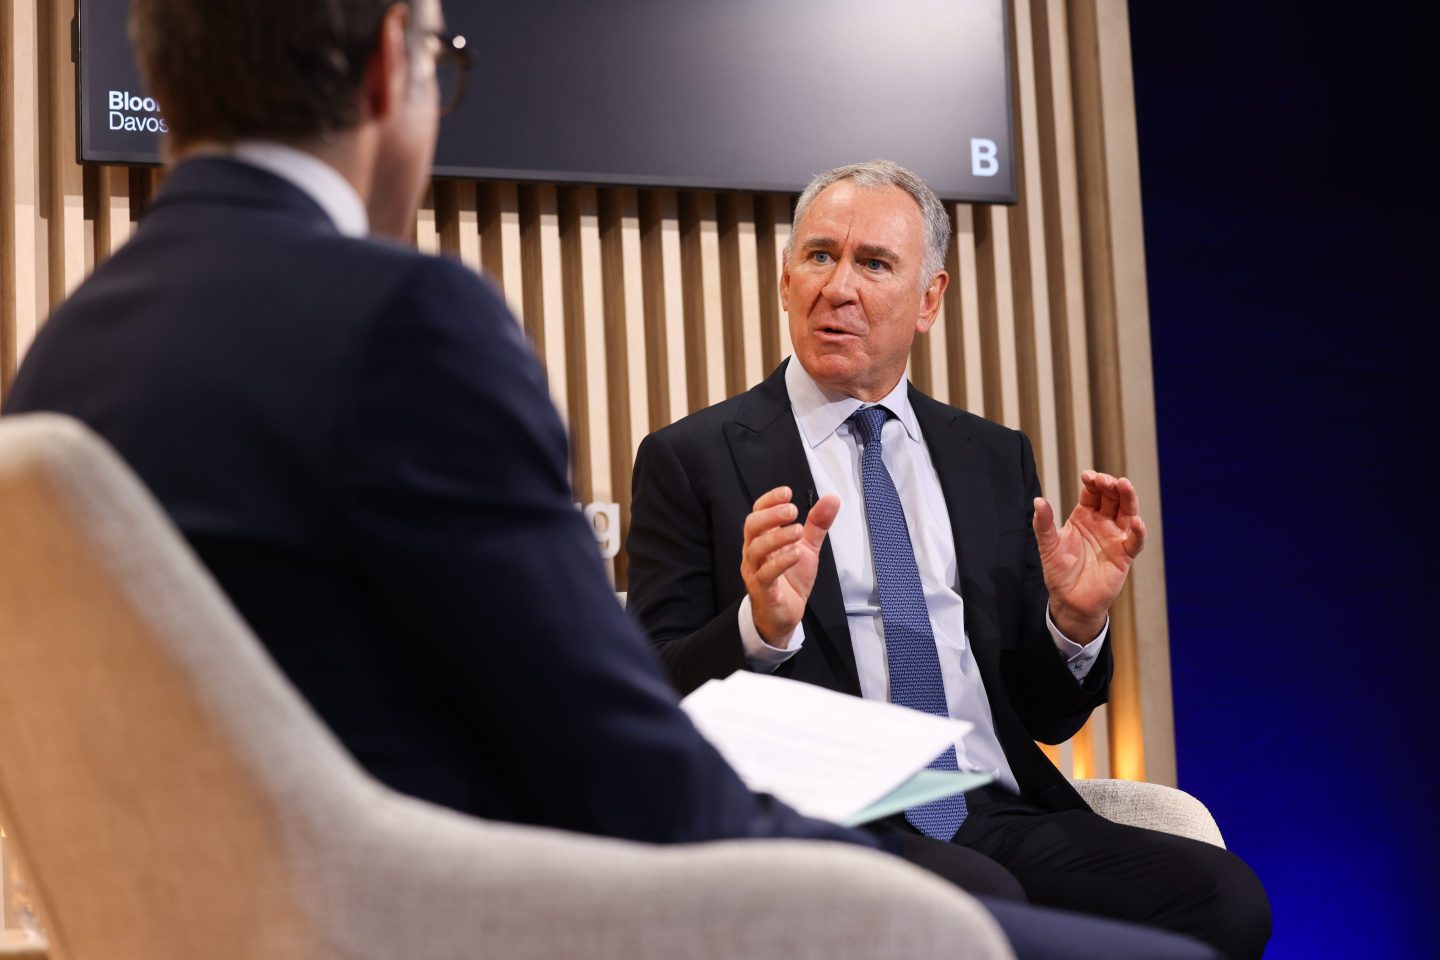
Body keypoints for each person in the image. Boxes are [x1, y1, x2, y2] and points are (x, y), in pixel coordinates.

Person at [3, 3, 1222, 956]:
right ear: (393, 64)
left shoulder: (60, 364)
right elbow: (614, 754)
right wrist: (847, 876)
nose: (840, 287)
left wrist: (1070, 622)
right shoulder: (407, 325)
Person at [626, 160, 1271, 960]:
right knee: (977, 902)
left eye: (874, 264)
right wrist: (758, 626)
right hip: (828, 816)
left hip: (989, 803)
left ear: (929, 299)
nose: (839, 287)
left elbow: (1048, 716)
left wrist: (1074, 622)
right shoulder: (693, 458)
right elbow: (653, 687)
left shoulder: (989, 456)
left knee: (1224, 897)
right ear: (786, 280)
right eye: (820, 256)